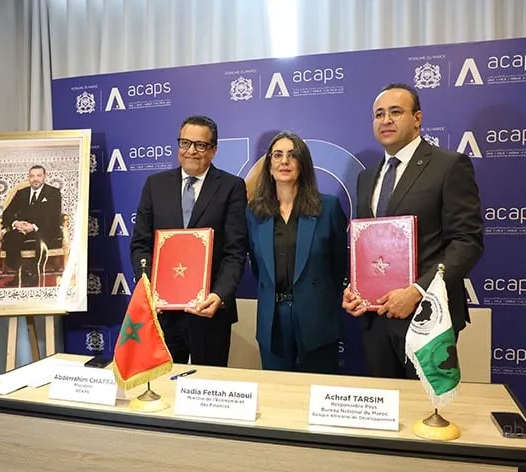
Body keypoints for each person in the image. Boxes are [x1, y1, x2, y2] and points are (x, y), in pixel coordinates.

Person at [342, 83, 484, 379]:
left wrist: (418, 291)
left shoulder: (449, 166)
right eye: (379, 114)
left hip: (428, 316)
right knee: (386, 404)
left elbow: (466, 242)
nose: (386, 120)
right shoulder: (367, 177)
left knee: (425, 406)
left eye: (395, 112)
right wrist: (355, 289)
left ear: (417, 118)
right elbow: (367, 245)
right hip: (376, 318)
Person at [130, 115, 248, 367]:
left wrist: (220, 294)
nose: (191, 151)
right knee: (164, 383)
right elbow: (141, 244)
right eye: (185, 143)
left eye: (200, 145)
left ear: (213, 150)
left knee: (210, 384)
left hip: (209, 311)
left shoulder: (232, 187)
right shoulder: (155, 185)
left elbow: (235, 251)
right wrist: (149, 289)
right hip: (164, 313)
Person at [246, 132, 348, 373]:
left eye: (292, 155)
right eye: (277, 155)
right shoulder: (254, 213)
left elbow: (338, 267)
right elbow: (259, 270)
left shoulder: (328, 207)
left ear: (303, 164)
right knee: (277, 390)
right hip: (273, 320)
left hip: (316, 316)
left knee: (320, 388)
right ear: (269, 165)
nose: (284, 161)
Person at [1, 164, 62, 287]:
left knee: (40, 238)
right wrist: (16, 223)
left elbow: (54, 217)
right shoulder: (21, 193)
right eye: (32, 176)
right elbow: (7, 214)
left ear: (44, 176)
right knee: (10, 237)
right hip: (23, 228)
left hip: (45, 228)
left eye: (39, 176)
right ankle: (22, 273)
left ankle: (34, 276)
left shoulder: (53, 193)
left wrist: (33, 227)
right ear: (28, 177)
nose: (35, 179)